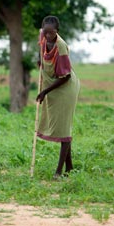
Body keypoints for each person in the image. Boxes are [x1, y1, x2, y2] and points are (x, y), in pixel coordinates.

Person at [36, 16, 80, 180]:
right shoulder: (42, 36)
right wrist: (39, 61)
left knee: (63, 129)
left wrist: (45, 91)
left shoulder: (61, 47)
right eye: (46, 32)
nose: (48, 36)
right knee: (63, 128)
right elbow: (40, 52)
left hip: (66, 88)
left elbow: (65, 77)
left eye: (52, 33)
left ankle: (58, 172)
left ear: (57, 32)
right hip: (53, 86)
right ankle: (70, 168)